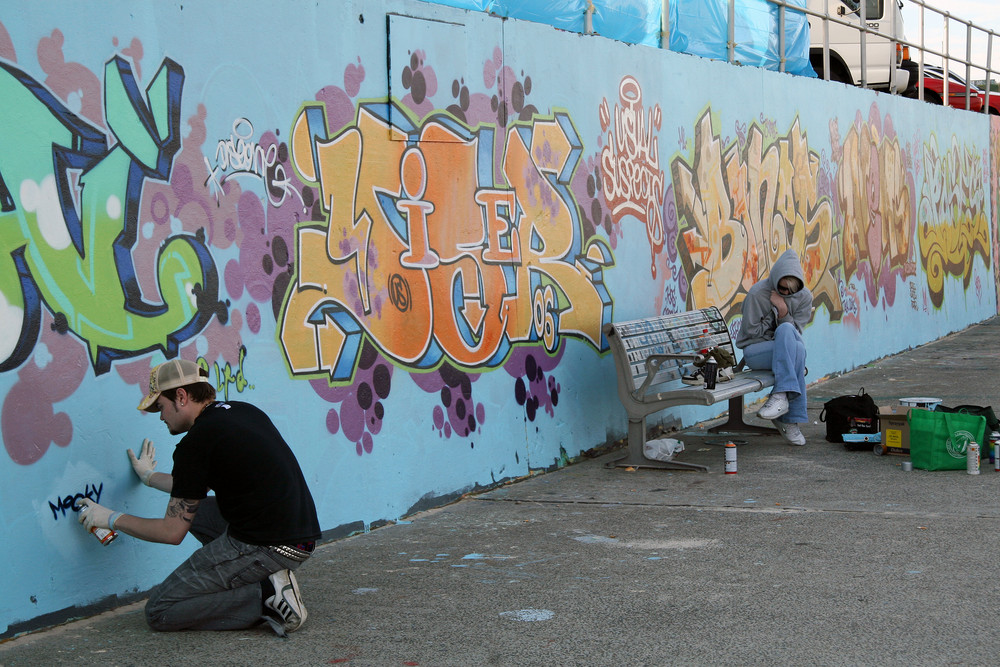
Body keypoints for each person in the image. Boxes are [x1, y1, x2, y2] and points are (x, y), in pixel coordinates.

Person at [77, 359, 322, 636]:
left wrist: (111, 518)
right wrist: (148, 478)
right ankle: (262, 580)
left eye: (161, 407)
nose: (161, 416)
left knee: (160, 610)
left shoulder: (196, 442)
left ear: (181, 396)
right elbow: (192, 490)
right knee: (199, 511)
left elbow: (171, 532)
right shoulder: (241, 412)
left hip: (268, 545)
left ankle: (265, 597)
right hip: (300, 536)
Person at [735, 248, 813, 446]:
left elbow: (796, 332)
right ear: (776, 280)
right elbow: (751, 333)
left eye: (791, 291)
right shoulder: (757, 294)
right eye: (782, 289)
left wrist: (783, 311)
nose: (786, 293)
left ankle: (780, 397)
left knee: (790, 336)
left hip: (784, 351)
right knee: (797, 349)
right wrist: (775, 318)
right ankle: (789, 419)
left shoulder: (805, 297)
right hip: (756, 351)